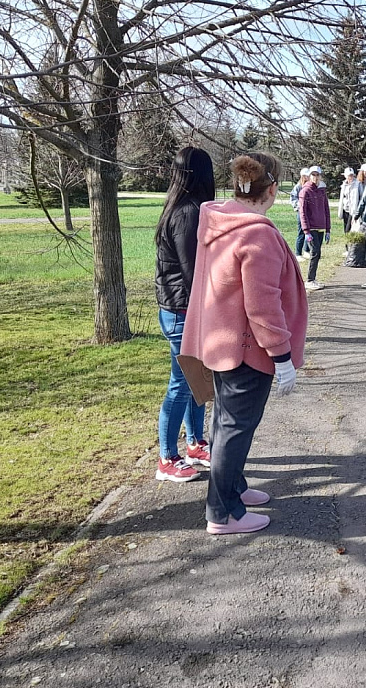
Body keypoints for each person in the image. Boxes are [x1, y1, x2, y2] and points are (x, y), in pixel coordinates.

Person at [178, 152, 308, 535]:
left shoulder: (219, 220)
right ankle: (223, 514)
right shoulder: (256, 233)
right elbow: (262, 305)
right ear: (272, 189)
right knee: (235, 428)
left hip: (221, 343)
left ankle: (233, 488)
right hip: (247, 350)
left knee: (226, 424)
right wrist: (281, 355)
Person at [153, 146, 215, 483]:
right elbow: (195, 272)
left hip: (183, 308)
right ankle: (167, 458)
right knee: (181, 384)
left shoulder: (182, 208)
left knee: (197, 380)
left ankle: (195, 443)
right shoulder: (188, 213)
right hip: (182, 311)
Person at [299, 165, 331, 290]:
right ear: (309, 176)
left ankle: (313, 278)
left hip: (320, 227)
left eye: (317, 175)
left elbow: (326, 210)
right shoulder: (305, 191)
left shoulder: (322, 191)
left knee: (318, 253)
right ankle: (310, 280)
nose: (315, 177)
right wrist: (306, 231)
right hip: (311, 228)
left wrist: (328, 229)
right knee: (315, 252)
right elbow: (302, 212)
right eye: (313, 175)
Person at [290, 167, 311, 260]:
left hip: (309, 212)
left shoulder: (310, 186)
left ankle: (306, 250)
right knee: (301, 232)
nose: (308, 177)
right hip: (301, 212)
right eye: (306, 176)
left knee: (308, 231)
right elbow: (293, 199)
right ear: (303, 176)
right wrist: (299, 206)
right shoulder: (298, 187)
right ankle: (298, 253)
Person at [337, 167, 361, 233]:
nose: (350, 177)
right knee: (345, 229)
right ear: (345, 176)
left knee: (349, 228)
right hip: (345, 209)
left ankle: (348, 239)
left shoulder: (358, 184)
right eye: (349, 175)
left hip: (353, 210)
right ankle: (347, 239)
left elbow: (361, 197)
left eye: (351, 175)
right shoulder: (343, 185)